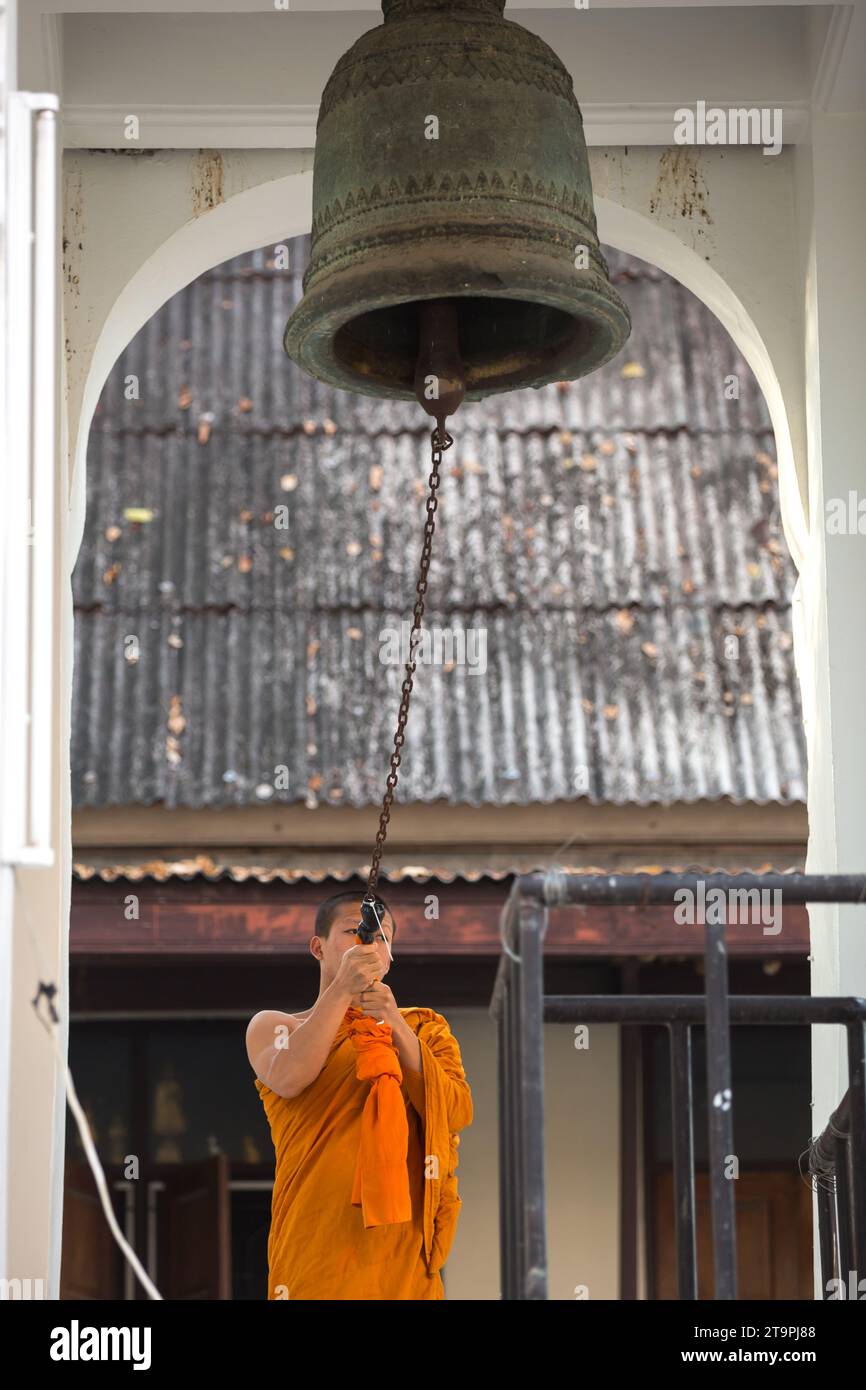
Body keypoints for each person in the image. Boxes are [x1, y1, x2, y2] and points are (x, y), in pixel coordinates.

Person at [245, 890, 473, 1300]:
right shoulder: (275, 1026)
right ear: (317, 947)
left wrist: (392, 1024)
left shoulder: (423, 1030)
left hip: (400, 1249)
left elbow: (453, 1111)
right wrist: (343, 992)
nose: (368, 944)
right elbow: (291, 1077)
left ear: (390, 956)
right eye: (354, 931)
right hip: (318, 1240)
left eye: (382, 937)